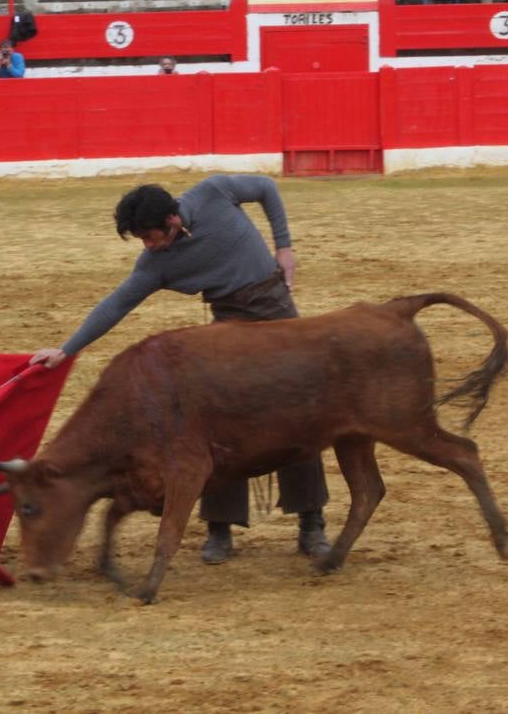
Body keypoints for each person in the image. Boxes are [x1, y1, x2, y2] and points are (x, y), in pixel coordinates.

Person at [30, 176, 332, 566]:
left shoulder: (214, 192)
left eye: (150, 237)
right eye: (141, 239)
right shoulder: (156, 263)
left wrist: (284, 245)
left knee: (300, 414)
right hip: (227, 329)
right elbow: (116, 304)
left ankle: (312, 524)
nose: (148, 246)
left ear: (173, 219)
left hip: (278, 317)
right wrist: (66, 349)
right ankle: (220, 528)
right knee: (221, 426)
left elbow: (267, 189)